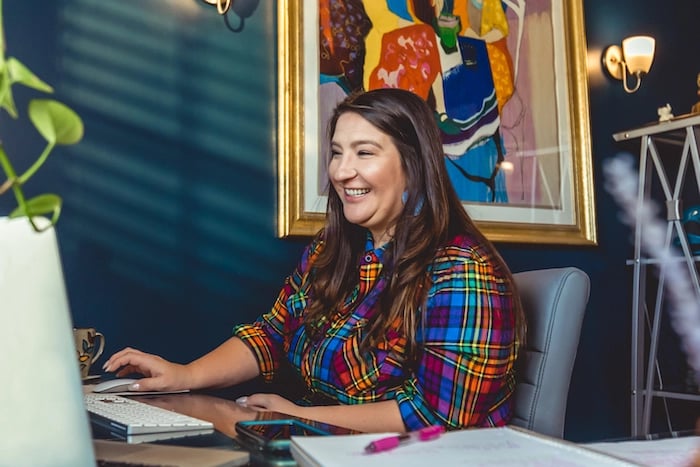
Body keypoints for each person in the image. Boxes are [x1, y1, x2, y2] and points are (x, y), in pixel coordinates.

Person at [103, 88, 526, 434]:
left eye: (364, 153)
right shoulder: (331, 250)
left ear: (413, 167)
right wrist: (185, 375)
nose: (341, 171)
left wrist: (298, 415)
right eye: (337, 153)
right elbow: (272, 333)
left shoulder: (462, 269)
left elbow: (436, 418)